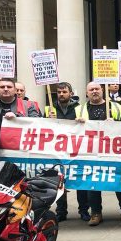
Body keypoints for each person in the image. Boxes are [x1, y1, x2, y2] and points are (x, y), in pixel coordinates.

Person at [75, 82, 121, 225]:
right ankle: (96, 212)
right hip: (90, 151)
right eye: (91, 89)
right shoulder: (79, 109)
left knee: (118, 179)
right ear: (86, 92)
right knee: (93, 182)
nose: (94, 91)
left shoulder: (116, 107)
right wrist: (77, 122)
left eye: (97, 89)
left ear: (102, 90)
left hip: (113, 150)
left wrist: (115, 123)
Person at [0, 77, 40, 160]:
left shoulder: (29, 106)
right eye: (2, 87)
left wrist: (18, 118)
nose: (5, 89)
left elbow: (37, 126)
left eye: (9, 87)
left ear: (15, 90)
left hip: (20, 155)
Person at [44, 82, 80, 222]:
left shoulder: (79, 108)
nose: (61, 94)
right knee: (59, 180)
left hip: (75, 148)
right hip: (57, 149)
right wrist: (48, 120)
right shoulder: (49, 109)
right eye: (59, 92)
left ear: (70, 93)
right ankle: (61, 211)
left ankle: (83, 210)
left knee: (79, 179)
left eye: (64, 92)